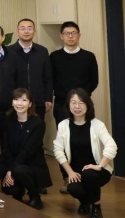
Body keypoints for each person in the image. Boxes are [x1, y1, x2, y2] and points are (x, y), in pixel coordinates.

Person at [51, 21, 99, 194]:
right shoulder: (54, 57)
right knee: (64, 142)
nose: (70, 36)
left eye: (74, 33)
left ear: (79, 35)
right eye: (67, 33)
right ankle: (67, 177)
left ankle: (85, 174)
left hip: (84, 106)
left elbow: (94, 81)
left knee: (85, 140)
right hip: (61, 105)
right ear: (61, 36)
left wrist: (81, 99)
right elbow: (50, 80)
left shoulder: (89, 56)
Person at [53, 89, 117, 218]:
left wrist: (99, 166)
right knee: (72, 188)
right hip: (76, 171)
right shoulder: (63, 125)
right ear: (68, 105)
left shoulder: (97, 125)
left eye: (81, 102)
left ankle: (96, 206)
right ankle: (85, 202)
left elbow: (111, 146)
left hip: (97, 171)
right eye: (73, 102)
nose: (77, 106)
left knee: (89, 174)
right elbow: (58, 150)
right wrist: (70, 172)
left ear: (88, 105)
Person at [1, 88, 52, 210]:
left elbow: (28, 151)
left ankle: (35, 197)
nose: (19, 103)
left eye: (24, 100)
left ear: (30, 104)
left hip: (33, 166)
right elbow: (5, 148)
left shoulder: (38, 123)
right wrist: (9, 169)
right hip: (15, 164)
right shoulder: (7, 121)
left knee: (18, 170)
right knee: (9, 188)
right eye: (16, 99)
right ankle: (18, 193)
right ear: (12, 102)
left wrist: (11, 170)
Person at [8, 18, 53, 120]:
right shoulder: (9, 51)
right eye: (22, 28)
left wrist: (48, 98)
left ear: (34, 31)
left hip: (38, 101)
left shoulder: (42, 51)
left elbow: (48, 77)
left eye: (29, 28)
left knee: (37, 128)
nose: (26, 31)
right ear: (17, 31)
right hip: (16, 102)